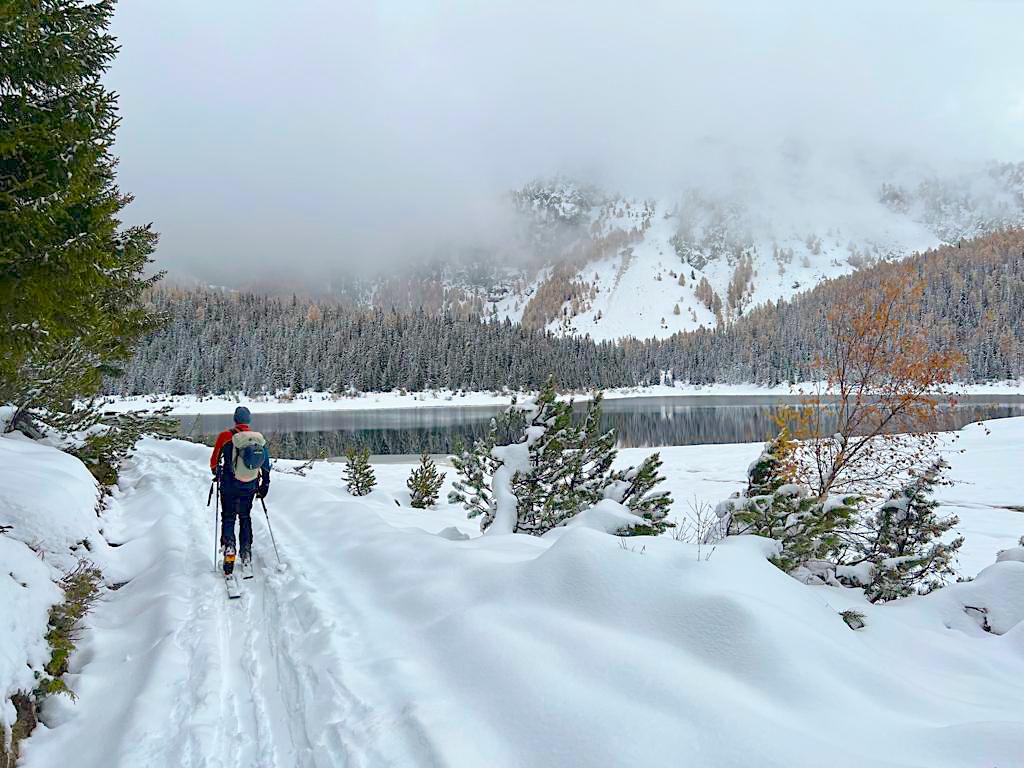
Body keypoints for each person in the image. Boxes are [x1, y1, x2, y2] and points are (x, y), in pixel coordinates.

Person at [210, 406, 270, 576]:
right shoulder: (257, 438)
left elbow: (214, 461)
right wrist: (265, 483)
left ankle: (229, 550)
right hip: (250, 485)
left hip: (229, 485)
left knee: (228, 517)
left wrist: (216, 472)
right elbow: (265, 464)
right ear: (248, 420)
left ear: (235, 419)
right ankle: (246, 553)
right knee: (245, 516)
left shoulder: (225, 436)